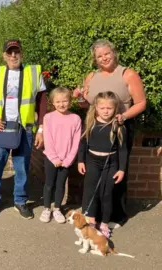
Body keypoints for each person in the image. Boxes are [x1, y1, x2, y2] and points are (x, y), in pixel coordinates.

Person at [81, 39, 146, 228]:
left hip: (119, 127)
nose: (104, 58)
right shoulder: (91, 76)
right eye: (99, 56)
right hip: (96, 128)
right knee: (94, 175)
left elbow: (141, 102)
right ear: (95, 59)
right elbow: (88, 102)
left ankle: (117, 215)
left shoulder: (127, 74)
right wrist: (80, 97)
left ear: (114, 52)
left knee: (116, 172)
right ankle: (96, 215)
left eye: (106, 54)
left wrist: (123, 116)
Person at [0, 39, 48, 219]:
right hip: (0, 127)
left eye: (17, 51)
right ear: (4, 55)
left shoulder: (33, 72)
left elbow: (42, 101)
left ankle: (20, 200)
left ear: (22, 53)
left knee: (22, 166)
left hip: (25, 127)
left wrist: (41, 128)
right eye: (10, 52)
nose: (13, 55)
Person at [78, 91, 128, 238]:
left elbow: (123, 150)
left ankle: (105, 223)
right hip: (92, 161)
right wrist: (81, 160)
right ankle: (91, 221)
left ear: (115, 109)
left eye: (109, 108)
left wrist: (122, 169)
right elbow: (83, 144)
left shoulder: (118, 127)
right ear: (96, 108)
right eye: (102, 108)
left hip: (111, 163)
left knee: (106, 194)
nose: (106, 111)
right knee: (90, 192)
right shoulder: (90, 123)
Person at [39, 87, 81, 224]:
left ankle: (57, 208)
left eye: (64, 101)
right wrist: (55, 158)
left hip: (66, 160)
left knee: (61, 185)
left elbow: (76, 142)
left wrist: (69, 159)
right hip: (51, 158)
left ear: (70, 102)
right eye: (58, 101)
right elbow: (48, 139)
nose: (61, 104)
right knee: (49, 184)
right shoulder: (48, 118)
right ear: (52, 103)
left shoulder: (75, 118)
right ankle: (46, 208)